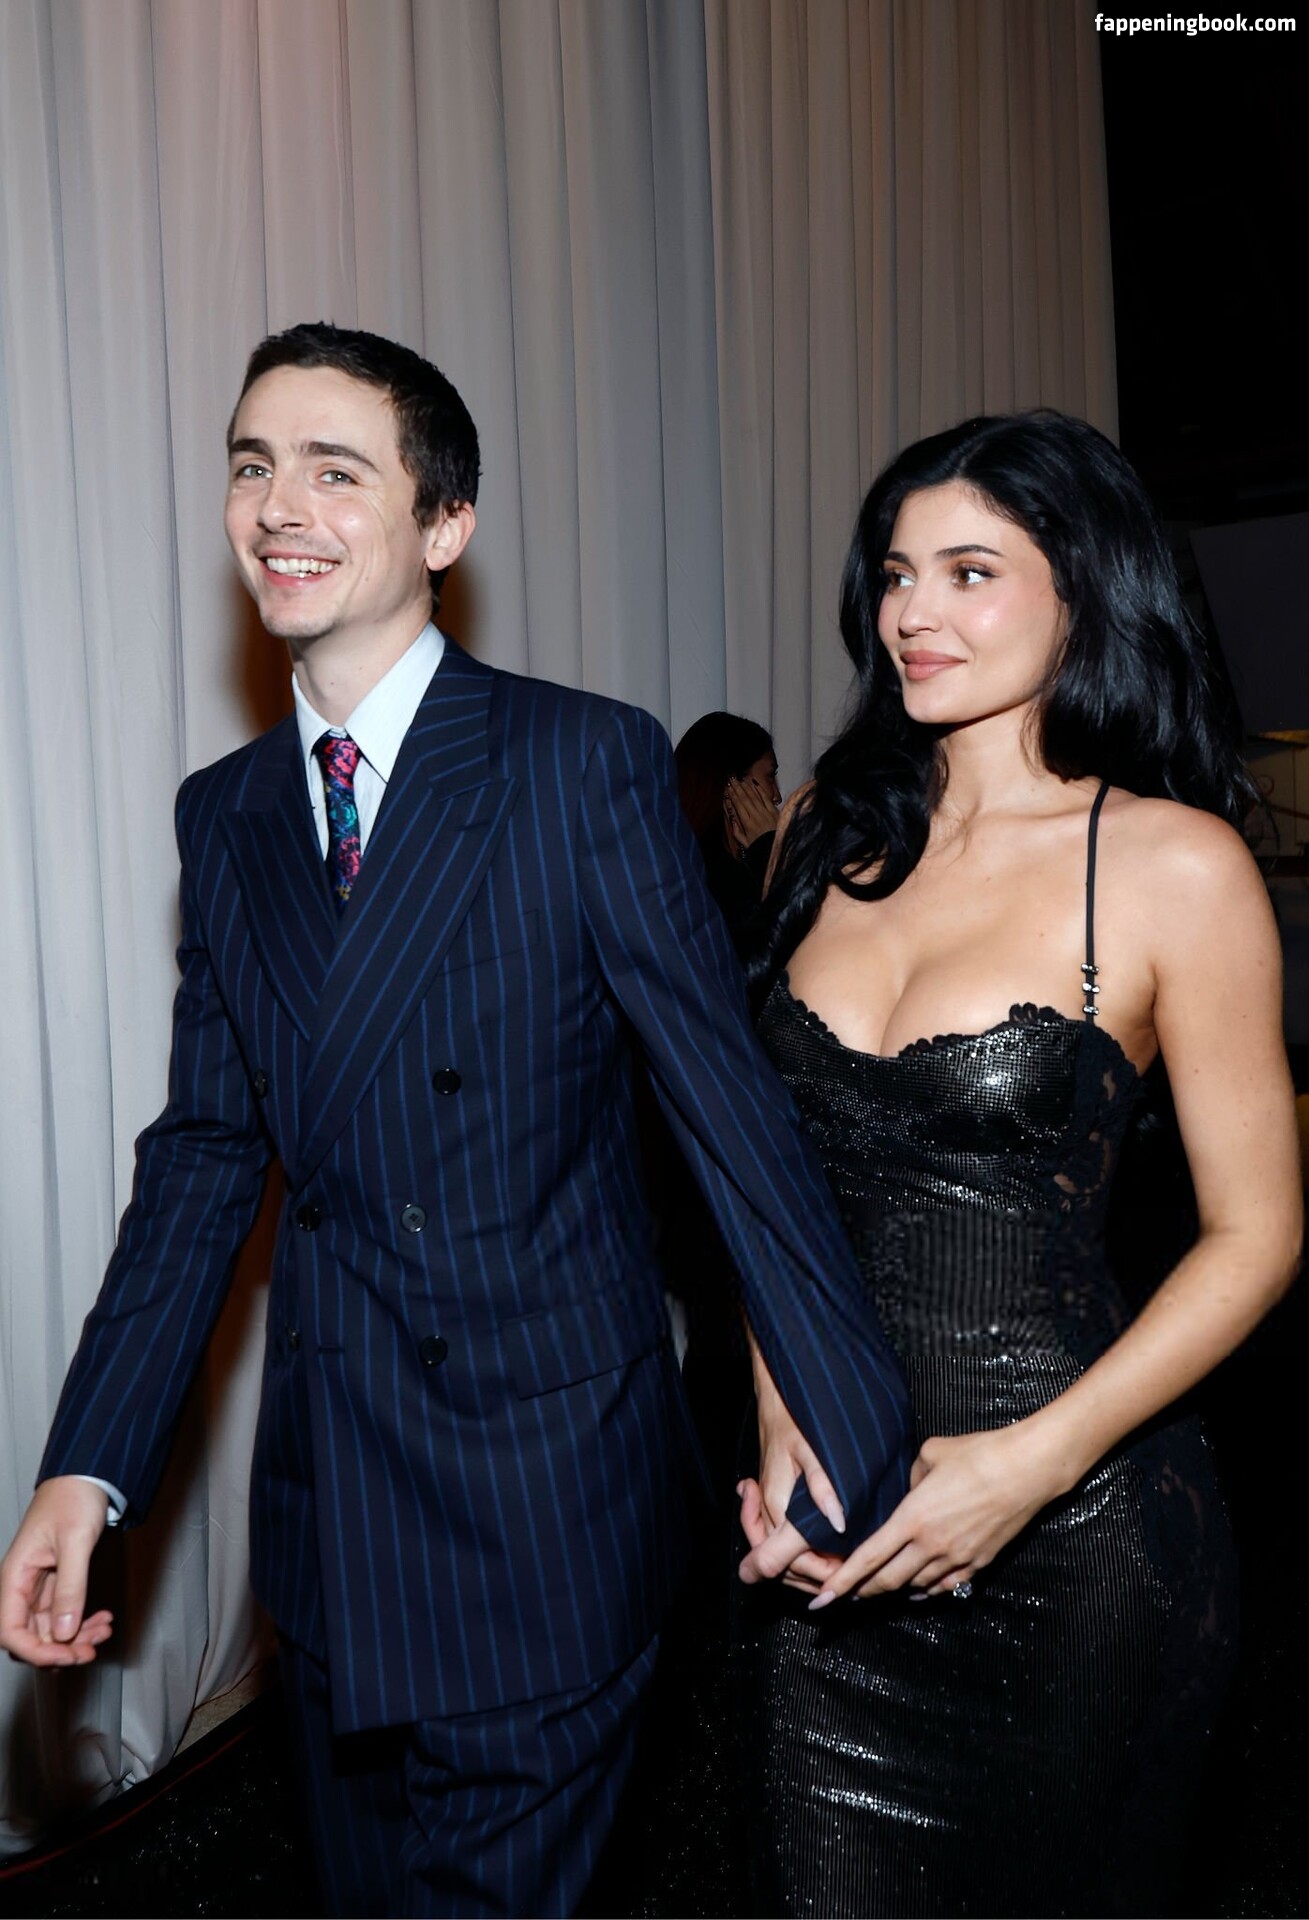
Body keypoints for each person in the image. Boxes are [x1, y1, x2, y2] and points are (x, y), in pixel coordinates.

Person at [0, 323, 912, 1919]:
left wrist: (839, 1416)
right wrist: (89, 1468)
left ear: (444, 524)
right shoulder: (226, 816)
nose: (279, 505)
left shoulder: (577, 761)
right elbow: (204, 1161)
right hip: (332, 1514)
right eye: (252, 465)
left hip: (544, 1499)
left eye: (335, 470)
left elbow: (725, 1106)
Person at [733, 410, 1302, 1918]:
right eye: (896, 573)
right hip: (847, 1532)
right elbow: (770, 1186)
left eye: (970, 572)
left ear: (1083, 592)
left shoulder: (1173, 865)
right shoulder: (821, 834)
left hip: (1084, 1542)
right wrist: (781, 1404)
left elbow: (1255, 1236)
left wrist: (1025, 1469)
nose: (913, 612)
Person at [674, 712, 781, 954]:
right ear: (732, 783)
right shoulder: (713, 881)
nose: (777, 796)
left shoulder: (685, 859)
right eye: (770, 776)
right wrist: (771, 849)